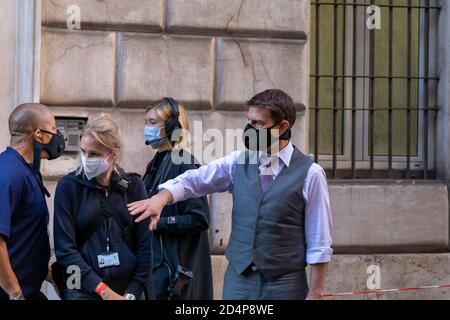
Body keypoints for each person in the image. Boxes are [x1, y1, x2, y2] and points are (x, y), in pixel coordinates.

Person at [129, 89, 333, 300]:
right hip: (239, 280)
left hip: (285, 284)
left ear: (282, 127)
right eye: (249, 121)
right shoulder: (238, 162)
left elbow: (320, 241)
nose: (249, 129)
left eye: (258, 124)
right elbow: (196, 180)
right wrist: (161, 198)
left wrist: (315, 293)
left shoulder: (311, 173)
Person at [53, 114, 153, 300]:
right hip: (82, 290)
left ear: (113, 154)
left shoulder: (133, 186)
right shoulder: (68, 187)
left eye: (94, 154)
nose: (86, 158)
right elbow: (65, 250)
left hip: (128, 291)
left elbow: (145, 246)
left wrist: (132, 291)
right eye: (83, 152)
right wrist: (105, 293)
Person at [143, 98, 213, 300]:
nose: (147, 128)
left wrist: (159, 223)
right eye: (146, 122)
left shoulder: (185, 163)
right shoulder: (156, 162)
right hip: (158, 267)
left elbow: (200, 218)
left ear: (173, 126)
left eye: (153, 122)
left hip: (176, 272)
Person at [0, 103, 66, 300]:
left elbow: (25, 235)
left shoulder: (27, 171)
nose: (57, 135)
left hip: (30, 292)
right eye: (53, 129)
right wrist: (15, 293)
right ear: (38, 134)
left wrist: (50, 275)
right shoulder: (8, 173)